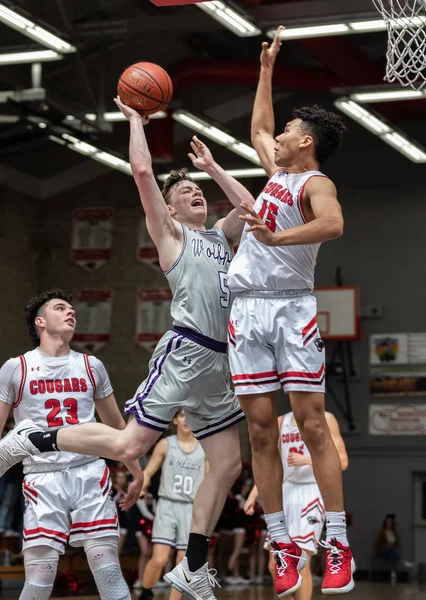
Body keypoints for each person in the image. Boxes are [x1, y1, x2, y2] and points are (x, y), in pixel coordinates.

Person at [0, 98, 256, 599]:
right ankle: (35, 440)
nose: (194, 193)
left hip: (221, 364)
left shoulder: (222, 238)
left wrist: (213, 167)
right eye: (184, 190)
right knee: (127, 446)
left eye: (197, 189)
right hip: (185, 352)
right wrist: (137, 121)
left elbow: (250, 207)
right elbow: (142, 170)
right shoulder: (172, 235)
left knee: (227, 465)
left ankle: (193, 567)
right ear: (172, 207)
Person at [226, 26, 354, 597]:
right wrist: (266, 68)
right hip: (246, 312)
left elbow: (334, 225)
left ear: (305, 142)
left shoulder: (315, 183)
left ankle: (338, 543)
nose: (275, 136)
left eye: (286, 132)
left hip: (291, 310)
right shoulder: (278, 172)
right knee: (258, 431)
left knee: (310, 425)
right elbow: (256, 126)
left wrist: (277, 242)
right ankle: (282, 543)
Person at [0, 289, 143, 600]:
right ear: (40, 321)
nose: (71, 313)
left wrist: (137, 472)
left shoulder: (92, 365)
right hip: (41, 477)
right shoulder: (16, 368)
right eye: (60, 308)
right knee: (39, 579)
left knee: (107, 570)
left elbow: (117, 426)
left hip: (89, 471)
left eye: (72, 309)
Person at [244, 411, 348, 600]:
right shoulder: (280, 422)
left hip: (311, 492)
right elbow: (270, 465)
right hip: (285, 492)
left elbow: (342, 461)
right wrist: (253, 494)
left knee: (302, 562)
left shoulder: (325, 418)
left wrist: (307, 460)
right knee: (275, 565)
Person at [139, 409, 206, 600]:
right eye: (183, 415)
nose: (187, 420)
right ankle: (145, 592)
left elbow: (211, 481)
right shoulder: (165, 444)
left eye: (191, 415)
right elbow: (148, 472)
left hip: (191, 507)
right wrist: (142, 486)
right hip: (167, 505)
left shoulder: (204, 447)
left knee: (182, 561)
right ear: (175, 420)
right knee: (159, 558)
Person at [375, 514, 413, 583]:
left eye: (390, 523)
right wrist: (386, 545)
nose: (389, 524)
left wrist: (392, 545)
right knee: (392, 550)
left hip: (391, 550)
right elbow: (378, 544)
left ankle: (393, 572)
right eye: (388, 523)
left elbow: (396, 543)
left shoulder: (393, 532)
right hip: (383, 551)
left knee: (393, 554)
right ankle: (403, 561)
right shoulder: (382, 532)